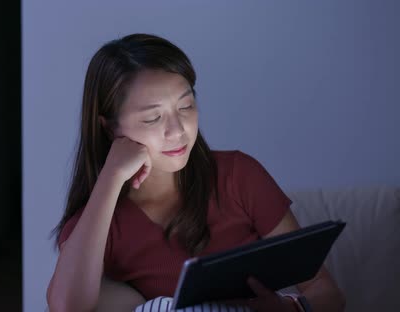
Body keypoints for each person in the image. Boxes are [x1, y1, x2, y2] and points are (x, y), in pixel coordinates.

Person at [46, 33, 345, 312]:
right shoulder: (99, 220)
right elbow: (65, 306)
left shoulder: (238, 176)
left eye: (186, 106)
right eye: (153, 118)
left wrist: (290, 309)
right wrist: (110, 177)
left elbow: (327, 293)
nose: (177, 131)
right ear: (110, 127)